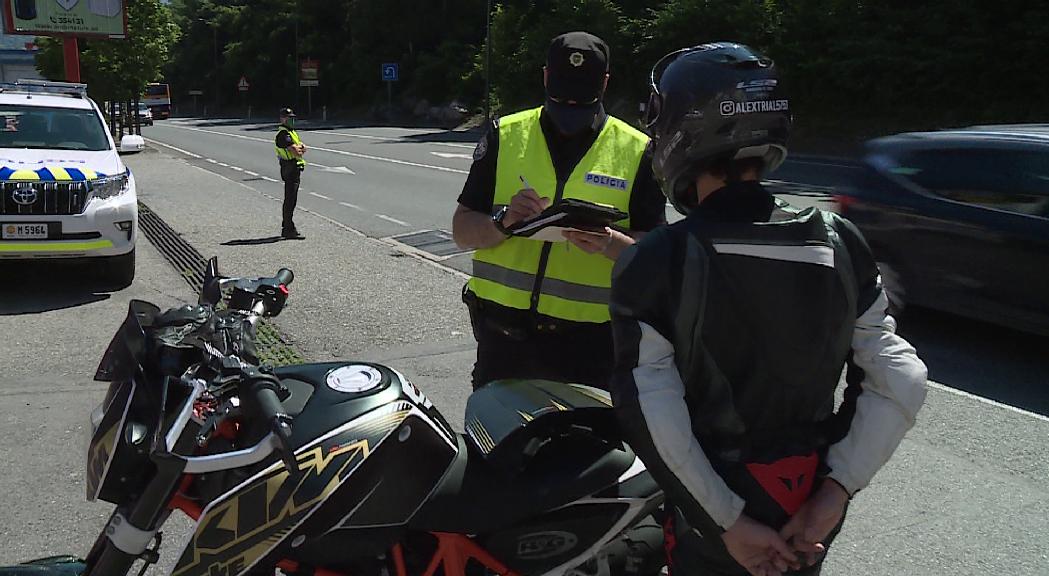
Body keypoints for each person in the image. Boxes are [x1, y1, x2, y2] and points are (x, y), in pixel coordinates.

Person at [610, 43, 928, 576]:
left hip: (717, 525)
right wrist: (834, 494)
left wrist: (727, 522)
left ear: (680, 132)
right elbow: (903, 377)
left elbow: (652, 414)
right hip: (805, 512)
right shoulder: (839, 239)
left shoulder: (657, 260)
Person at [452, 31, 667, 390]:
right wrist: (502, 222)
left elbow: (656, 260)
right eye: (560, 96)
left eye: (580, 99)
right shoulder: (504, 135)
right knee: (496, 443)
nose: (569, 108)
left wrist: (609, 241)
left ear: (605, 84)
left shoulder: (638, 151)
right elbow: (461, 230)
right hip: (505, 342)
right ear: (546, 77)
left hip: (591, 349)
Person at [275, 107, 306, 239]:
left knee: (291, 199)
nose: (292, 120)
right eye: (289, 118)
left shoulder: (290, 132)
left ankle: (288, 226)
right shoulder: (283, 134)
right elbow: (297, 151)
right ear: (282, 118)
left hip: (294, 168)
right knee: (290, 199)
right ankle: (287, 228)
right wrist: (299, 149)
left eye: (292, 118)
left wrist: (299, 148)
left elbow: (303, 148)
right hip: (290, 168)